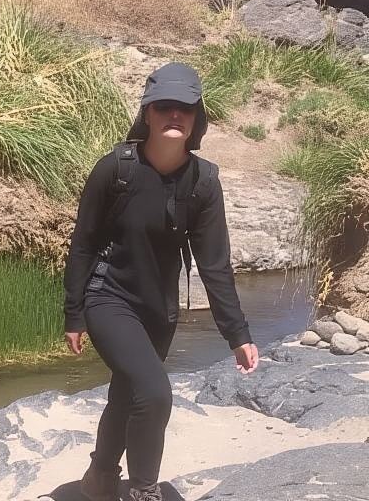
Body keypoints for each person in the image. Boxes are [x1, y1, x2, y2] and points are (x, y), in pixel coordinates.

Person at [63, 63, 258, 501]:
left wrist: (237, 334)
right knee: (155, 393)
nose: (175, 115)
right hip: (108, 298)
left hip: (159, 310)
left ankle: (99, 477)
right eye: (165, 106)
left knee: (128, 392)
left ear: (197, 118)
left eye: (185, 108)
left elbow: (215, 265)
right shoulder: (115, 169)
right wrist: (74, 313)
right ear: (148, 113)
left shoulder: (204, 182)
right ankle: (144, 492)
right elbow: (83, 244)